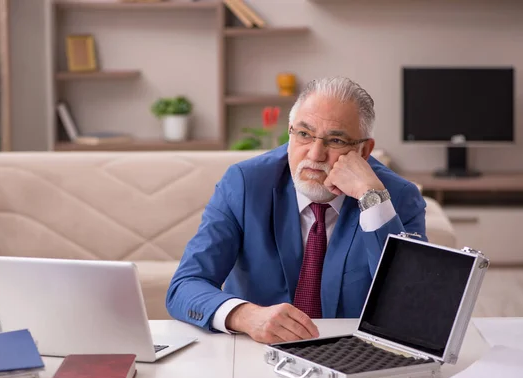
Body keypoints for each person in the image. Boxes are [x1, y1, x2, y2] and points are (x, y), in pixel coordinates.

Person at [165, 76, 427, 344]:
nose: (315, 154)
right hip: (255, 354)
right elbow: (185, 286)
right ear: (290, 131)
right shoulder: (245, 184)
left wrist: (372, 199)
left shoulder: (396, 197)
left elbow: (413, 308)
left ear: (363, 150)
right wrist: (245, 316)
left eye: (335, 140)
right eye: (304, 134)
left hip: (354, 353)